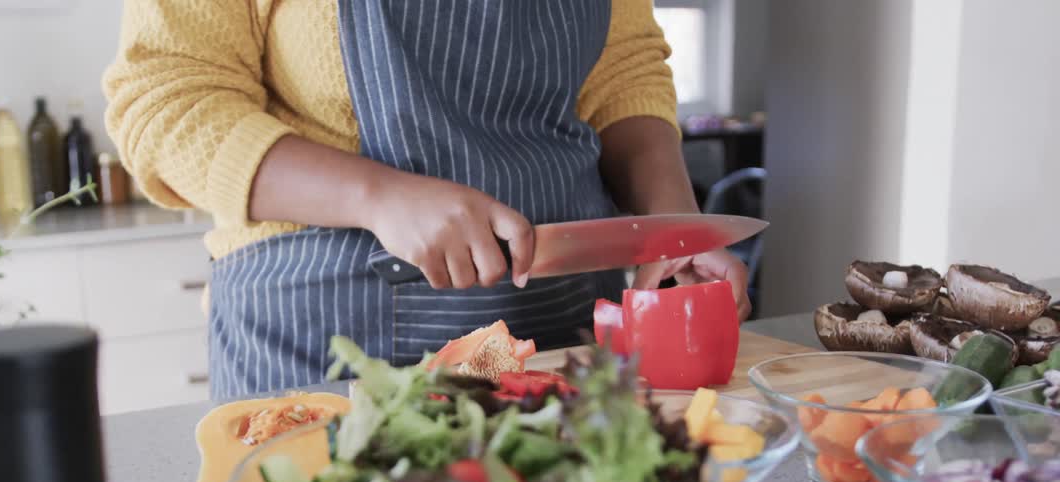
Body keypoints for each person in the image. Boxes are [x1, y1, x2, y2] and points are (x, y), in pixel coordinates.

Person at [104, 0, 750, 401]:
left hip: (561, 330)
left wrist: (675, 231)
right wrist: (378, 197)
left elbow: (623, 72)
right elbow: (166, 101)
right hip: (324, 340)